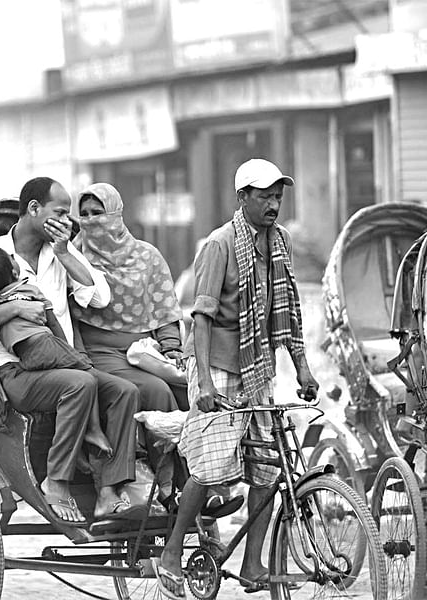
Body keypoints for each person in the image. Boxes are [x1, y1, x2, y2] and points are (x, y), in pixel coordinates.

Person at [154, 158, 320, 599]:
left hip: (258, 367)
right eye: (264, 196)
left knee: (270, 467)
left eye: (278, 196)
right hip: (218, 367)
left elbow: (289, 312)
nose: (273, 204)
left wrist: (302, 367)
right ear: (242, 197)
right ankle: (171, 553)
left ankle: (252, 563)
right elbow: (201, 319)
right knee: (208, 467)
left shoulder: (279, 242)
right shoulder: (219, 245)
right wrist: (203, 382)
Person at [0, 176, 141, 524]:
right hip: (14, 373)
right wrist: (14, 309)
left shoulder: (60, 254)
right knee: (81, 384)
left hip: (59, 360)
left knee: (124, 391)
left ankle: (109, 491)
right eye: (60, 211)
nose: (67, 220)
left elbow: (99, 297)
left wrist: (64, 252)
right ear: (34, 209)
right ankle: (56, 481)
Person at [72, 183, 237, 515]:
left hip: (146, 350)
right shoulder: (73, 258)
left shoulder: (147, 256)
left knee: (196, 389)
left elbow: (164, 311)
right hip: (99, 352)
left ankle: (208, 480)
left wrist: (172, 348)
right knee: (156, 391)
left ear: (116, 214)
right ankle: (169, 487)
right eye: (85, 214)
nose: (91, 221)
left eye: (98, 213)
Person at [0, 246, 112, 456]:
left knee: (78, 380)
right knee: (86, 374)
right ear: (15, 272)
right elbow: (53, 323)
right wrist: (68, 351)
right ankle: (93, 430)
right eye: (10, 258)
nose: (15, 256)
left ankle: (78, 445)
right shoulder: (30, 290)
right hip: (42, 345)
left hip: (24, 354)